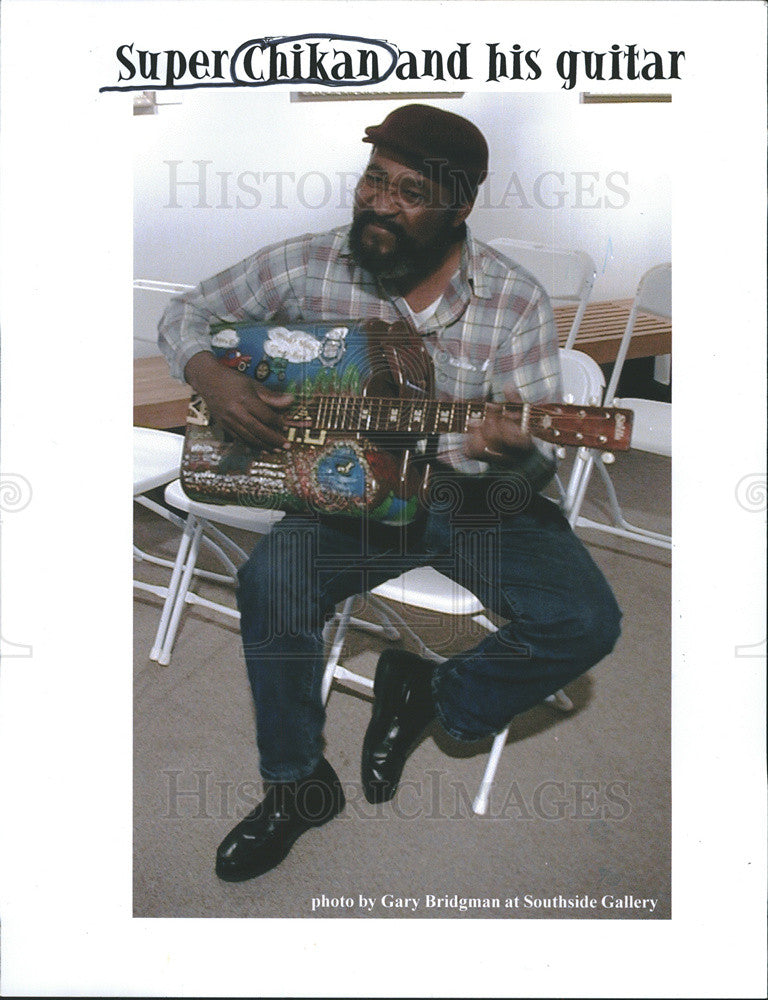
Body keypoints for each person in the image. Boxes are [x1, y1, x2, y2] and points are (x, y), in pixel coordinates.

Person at [158, 104, 622, 882]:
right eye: (375, 179)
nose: (380, 201)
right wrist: (207, 371)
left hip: (474, 494)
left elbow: (535, 456)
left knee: (585, 620)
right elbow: (188, 312)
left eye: (410, 192)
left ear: (459, 207)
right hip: (347, 491)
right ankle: (297, 784)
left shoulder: (514, 299)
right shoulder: (308, 262)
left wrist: (508, 448)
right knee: (270, 580)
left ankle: (433, 690)